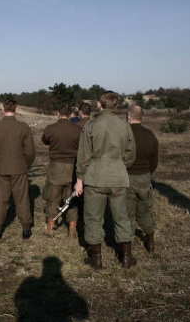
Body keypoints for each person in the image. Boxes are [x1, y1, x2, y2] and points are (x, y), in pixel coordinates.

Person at [74, 91, 136, 270]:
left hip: (95, 177)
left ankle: (97, 259)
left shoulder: (92, 125)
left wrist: (80, 179)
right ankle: (126, 258)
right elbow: (131, 154)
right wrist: (118, 165)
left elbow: (83, 155)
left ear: (100, 105)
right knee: (121, 217)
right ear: (116, 106)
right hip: (118, 177)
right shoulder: (125, 125)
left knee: (93, 217)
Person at [0, 99, 36, 240]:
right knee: (22, 199)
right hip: (19, 168)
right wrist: (24, 165)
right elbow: (30, 152)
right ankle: (26, 229)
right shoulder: (23, 127)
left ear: (3, 109)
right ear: (17, 109)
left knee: (1, 199)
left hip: (1, 169)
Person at [41, 104, 82, 237]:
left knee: (53, 197)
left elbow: (45, 141)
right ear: (71, 114)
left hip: (56, 167)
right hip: (73, 167)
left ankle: (51, 227)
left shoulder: (50, 128)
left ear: (58, 113)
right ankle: (72, 228)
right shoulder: (78, 129)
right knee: (71, 198)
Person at [126, 105, 159, 252]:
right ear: (142, 117)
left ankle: (126, 246)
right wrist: (146, 172)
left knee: (126, 213)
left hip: (126, 178)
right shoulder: (150, 135)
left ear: (128, 117)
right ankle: (150, 242)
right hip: (144, 177)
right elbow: (154, 160)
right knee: (145, 210)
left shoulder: (124, 135)